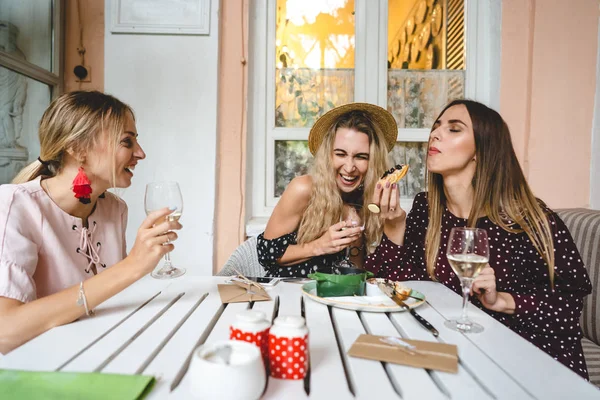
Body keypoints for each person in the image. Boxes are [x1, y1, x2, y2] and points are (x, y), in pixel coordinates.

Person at [365, 99, 592, 379]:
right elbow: (392, 287)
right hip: (454, 350)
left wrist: (502, 301)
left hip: (527, 359)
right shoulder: (427, 209)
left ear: (481, 150)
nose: (435, 134)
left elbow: (568, 309)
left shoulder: (526, 219)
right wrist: (394, 225)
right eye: (436, 127)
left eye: (454, 129)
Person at [0, 91, 182, 354]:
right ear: (78, 149)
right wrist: (133, 266)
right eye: (127, 142)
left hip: (99, 352)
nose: (140, 153)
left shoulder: (114, 209)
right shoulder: (14, 204)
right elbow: (5, 331)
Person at [257, 103, 399, 277]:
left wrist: (366, 236)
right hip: (291, 294)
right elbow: (265, 254)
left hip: (336, 297)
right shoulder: (303, 189)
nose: (349, 167)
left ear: (373, 161)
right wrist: (320, 245)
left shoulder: (368, 199)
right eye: (340, 154)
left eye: (361, 157)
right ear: (328, 155)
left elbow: (356, 271)